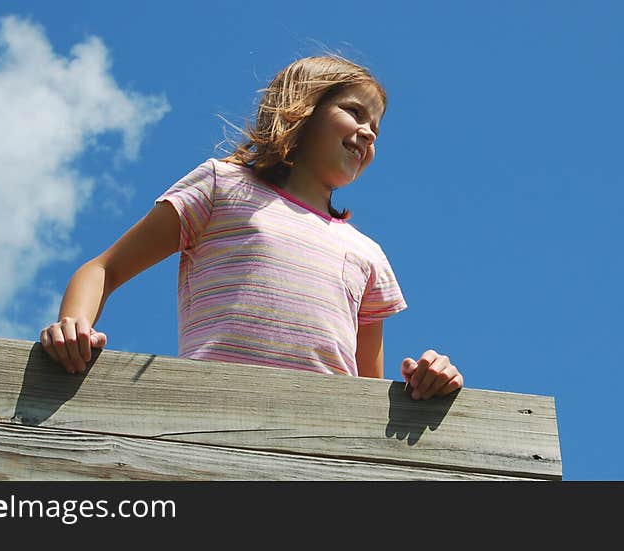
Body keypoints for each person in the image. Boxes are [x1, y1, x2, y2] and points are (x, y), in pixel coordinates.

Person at [40, 55, 463, 400]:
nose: (368, 132)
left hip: (321, 438)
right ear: (304, 107)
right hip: (212, 414)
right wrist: (73, 327)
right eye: (355, 112)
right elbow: (103, 270)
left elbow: (367, 391)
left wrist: (429, 381)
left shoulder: (368, 254)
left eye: (376, 126)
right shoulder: (222, 185)